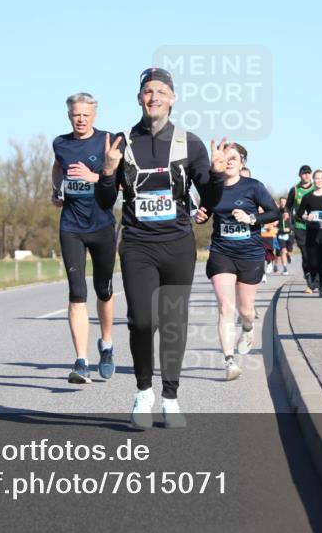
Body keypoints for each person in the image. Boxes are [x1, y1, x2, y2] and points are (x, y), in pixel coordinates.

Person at [95, 67, 227, 428]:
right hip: (138, 243)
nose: (154, 97)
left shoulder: (191, 143)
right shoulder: (120, 143)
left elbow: (210, 198)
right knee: (141, 320)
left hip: (177, 244)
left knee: (172, 322)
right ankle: (142, 392)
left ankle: (170, 397)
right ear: (139, 98)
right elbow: (106, 200)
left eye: (161, 91)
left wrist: (214, 176)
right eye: (148, 91)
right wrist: (107, 171)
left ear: (173, 98)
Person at [194, 144, 280, 380]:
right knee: (225, 307)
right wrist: (200, 217)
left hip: (250, 254)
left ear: (242, 163)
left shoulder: (254, 187)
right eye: (225, 157)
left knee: (246, 310)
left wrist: (252, 217)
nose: (229, 161)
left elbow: (274, 213)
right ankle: (229, 361)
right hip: (222, 252)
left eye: (234, 158)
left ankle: (248, 328)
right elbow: (204, 213)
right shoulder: (214, 188)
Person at [51, 93, 117, 384]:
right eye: (76, 114)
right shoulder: (60, 143)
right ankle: (81, 361)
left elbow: (121, 179)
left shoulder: (109, 140)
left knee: (103, 290)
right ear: (69, 115)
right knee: (77, 293)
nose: (80, 119)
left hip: (102, 225)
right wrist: (56, 189)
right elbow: (58, 167)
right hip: (71, 227)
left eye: (85, 115)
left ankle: (107, 344)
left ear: (94, 115)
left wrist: (95, 177)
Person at [296, 170, 322, 297]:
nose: (319, 180)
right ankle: (313, 277)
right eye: (316, 178)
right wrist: (305, 217)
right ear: (313, 180)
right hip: (312, 233)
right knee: (313, 263)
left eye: (321, 178)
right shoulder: (308, 197)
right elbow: (299, 213)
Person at [285, 166, 315, 283]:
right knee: (305, 253)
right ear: (300, 175)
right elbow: (288, 205)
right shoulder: (295, 190)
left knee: (314, 253)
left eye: (308, 173)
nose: (306, 175)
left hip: (314, 225)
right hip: (300, 225)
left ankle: (314, 274)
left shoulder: (316, 188)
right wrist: (286, 213)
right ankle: (308, 275)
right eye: (304, 173)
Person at [275, 196, 291, 274]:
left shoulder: (290, 210)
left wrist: (290, 229)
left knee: (288, 250)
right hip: (281, 234)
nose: (282, 203)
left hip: (290, 234)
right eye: (281, 202)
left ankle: (288, 254)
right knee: (283, 250)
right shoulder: (277, 211)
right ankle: (285, 268)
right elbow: (275, 224)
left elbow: (293, 221)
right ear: (279, 203)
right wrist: (281, 220)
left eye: (284, 202)